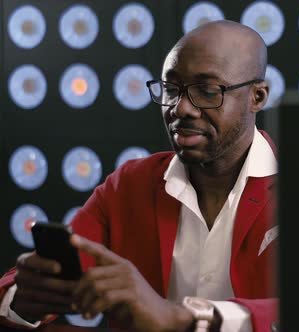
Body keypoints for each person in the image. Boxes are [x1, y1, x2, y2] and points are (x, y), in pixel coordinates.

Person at [0, 20, 278, 332]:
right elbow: (42, 281)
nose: (181, 107)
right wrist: (23, 297)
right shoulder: (129, 186)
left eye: (207, 91)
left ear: (258, 96)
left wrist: (185, 318)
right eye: (171, 89)